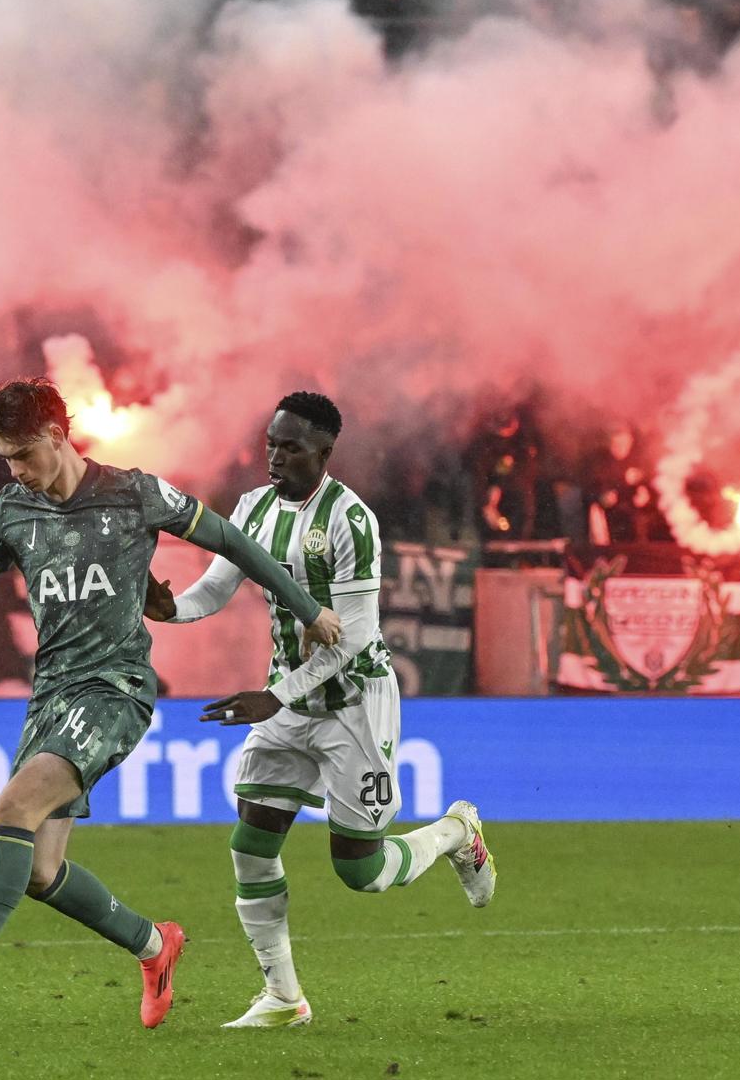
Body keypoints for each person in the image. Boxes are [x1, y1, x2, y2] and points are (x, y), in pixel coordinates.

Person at [0, 378, 341, 1029]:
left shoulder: (135, 492)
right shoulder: (12, 509)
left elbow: (233, 542)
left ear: (55, 436)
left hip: (116, 687)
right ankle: (154, 944)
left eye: (22, 454)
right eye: (5, 459)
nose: (15, 471)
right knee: (41, 871)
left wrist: (308, 608)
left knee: (13, 805)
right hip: (53, 693)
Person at [146, 392, 494, 1029]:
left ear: (324, 453)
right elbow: (217, 588)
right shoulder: (252, 508)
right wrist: (174, 611)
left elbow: (355, 636)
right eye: (271, 443)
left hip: (353, 703)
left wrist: (274, 695)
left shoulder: (350, 521)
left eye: (291, 447)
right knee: (251, 843)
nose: (274, 456)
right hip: (287, 702)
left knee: (359, 872)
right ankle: (283, 997)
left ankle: (455, 834)